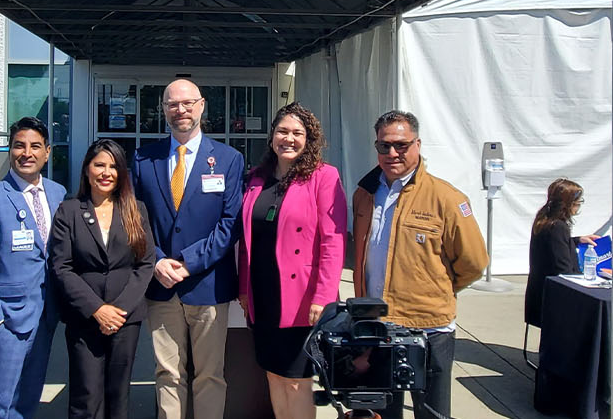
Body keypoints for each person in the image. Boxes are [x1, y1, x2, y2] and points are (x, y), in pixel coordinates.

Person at [351, 110, 488, 419]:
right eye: (384, 145)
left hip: (428, 328)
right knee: (381, 412)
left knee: (431, 413)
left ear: (418, 145)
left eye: (401, 145)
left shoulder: (447, 198)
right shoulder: (365, 193)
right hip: (377, 325)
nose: (392, 153)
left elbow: (474, 262)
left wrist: (434, 290)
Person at [132, 79, 245, 419]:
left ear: (202, 105)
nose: (180, 110)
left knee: (210, 375)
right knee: (167, 374)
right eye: (172, 104)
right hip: (161, 285)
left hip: (208, 285)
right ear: (163, 109)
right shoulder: (143, 159)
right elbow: (134, 219)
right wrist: (158, 260)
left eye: (187, 103)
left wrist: (186, 262)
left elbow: (230, 224)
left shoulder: (229, 159)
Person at [237, 103, 346, 419]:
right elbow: (247, 241)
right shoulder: (256, 178)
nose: (289, 138)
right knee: (273, 373)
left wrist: (323, 297)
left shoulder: (324, 177)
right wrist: (244, 289)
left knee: (297, 380)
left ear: (309, 139)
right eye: (282, 131)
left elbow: (333, 241)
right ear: (272, 136)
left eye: (297, 133)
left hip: (301, 298)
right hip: (262, 293)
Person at [0, 116, 68, 419]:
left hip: (46, 315)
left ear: (47, 152)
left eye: (35, 146)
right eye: (19, 146)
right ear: (10, 150)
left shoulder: (58, 194)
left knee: (28, 397)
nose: (27, 153)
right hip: (8, 321)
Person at [49, 140, 155, 419]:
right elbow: (62, 267)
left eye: (113, 166)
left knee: (118, 395)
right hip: (85, 318)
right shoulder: (69, 211)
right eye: (99, 165)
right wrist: (97, 309)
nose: (106, 172)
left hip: (125, 319)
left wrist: (118, 310)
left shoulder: (136, 210)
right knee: (86, 396)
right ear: (87, 170)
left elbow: (145, 264)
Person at [524, 179, 597, 327]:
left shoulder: (544, 220)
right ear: (568, 203)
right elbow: (563, 268)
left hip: (538, 292)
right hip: (554, 298)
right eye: (578, 202)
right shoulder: (558, 227)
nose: (579, 206)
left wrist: (577, 240)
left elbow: (552, 246)